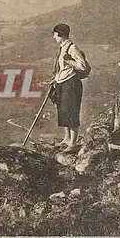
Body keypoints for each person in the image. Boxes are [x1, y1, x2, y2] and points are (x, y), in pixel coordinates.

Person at [49, 23, 88, 153]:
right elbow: (61, 69)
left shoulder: (72, 48)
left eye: (55, 35)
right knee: (63, 111)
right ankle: (67, 138)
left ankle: (73, 143)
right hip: (61, 83)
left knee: (71, 112)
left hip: (71, 84)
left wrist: (69, 61)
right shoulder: (62, 48)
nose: (54, 37)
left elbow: (82, 66)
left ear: (61, 34)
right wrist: (55, 79)